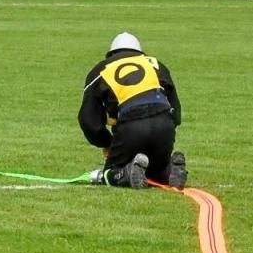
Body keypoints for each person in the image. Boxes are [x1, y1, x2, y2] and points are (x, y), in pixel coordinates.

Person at [79, 32, 187, 189]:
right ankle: (170, 171)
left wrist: (107, 143)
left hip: (131, 125)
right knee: (155, 170)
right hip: (164, 123)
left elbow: (88, 121)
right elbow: (176, 112)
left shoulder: (99, 70)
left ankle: (127, 173)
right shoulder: (157, 65)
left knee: (111, 171)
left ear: (111, 54)